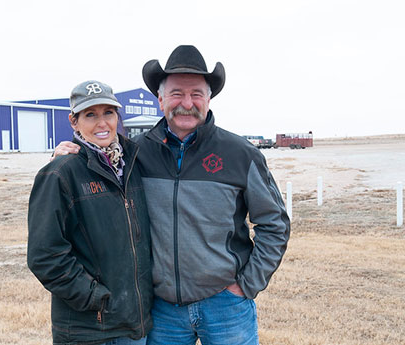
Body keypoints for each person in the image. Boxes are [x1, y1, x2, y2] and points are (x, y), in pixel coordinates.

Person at [53, 46, 290, 345]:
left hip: (226, 306)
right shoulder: (134, 153)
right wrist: (66, 156)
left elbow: (275, 224)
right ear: (161, 99)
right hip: (162, 310)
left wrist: (247, 284)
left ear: (208, 99)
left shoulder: (241, 155)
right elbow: (93, 170)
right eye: (177, 93)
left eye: (196, 94)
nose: (186, 103)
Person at [27, 80, 153, 345]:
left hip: (133, 325)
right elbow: (44, 256)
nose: (102, 123)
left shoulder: (133, 164)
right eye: (90, 115)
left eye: (108, 112)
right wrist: (95, 299)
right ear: (74, 122)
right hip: (90, 328)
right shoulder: (60, 173)